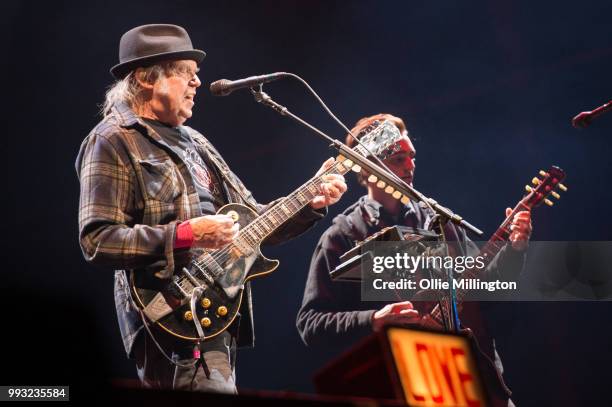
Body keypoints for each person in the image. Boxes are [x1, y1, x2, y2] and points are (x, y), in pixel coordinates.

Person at [76, 24, 347, 393]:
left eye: (196, 75)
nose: (197, 84)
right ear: (145, 78)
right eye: (185, 73)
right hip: (171, 317)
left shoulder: (197, 143)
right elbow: (98, 240)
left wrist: (311, 201)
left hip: (217, 317)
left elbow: (257, 220)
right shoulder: (111, 140)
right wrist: (188, 234)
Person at [296, 113, 531, 406]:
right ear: (368, 169)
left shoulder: (442, 222)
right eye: (398, 159)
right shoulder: (343, 235)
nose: (410, 166)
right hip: (401, 386)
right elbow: (311, 323)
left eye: (412, 157)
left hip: (472, 383)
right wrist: (374, 319)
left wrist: (514, 251)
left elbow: (486, 291)